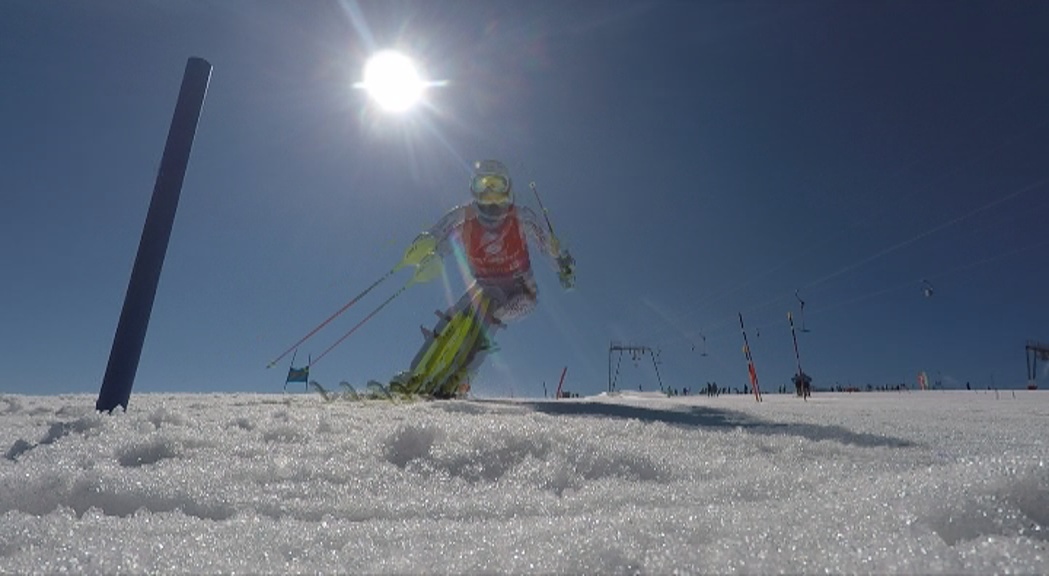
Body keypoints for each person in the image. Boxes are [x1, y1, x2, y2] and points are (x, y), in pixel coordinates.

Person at [396, 160, 575, 397]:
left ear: (507, 189)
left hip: (520, 290)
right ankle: (415, 374)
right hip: (484, 284)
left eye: (496, 186)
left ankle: (461, 380)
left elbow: (546, 244)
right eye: (484, 186)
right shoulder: (467, 217)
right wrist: (429, 249)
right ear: (474, 189)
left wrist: (562, 262)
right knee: (457, 312)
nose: (490, 195)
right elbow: (443, 233)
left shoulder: (520, 217)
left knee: (488, 319)